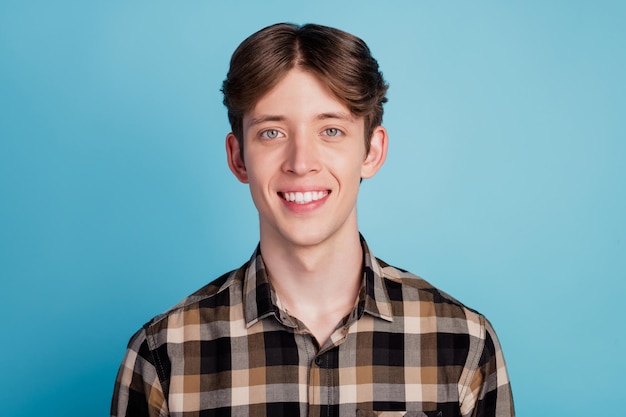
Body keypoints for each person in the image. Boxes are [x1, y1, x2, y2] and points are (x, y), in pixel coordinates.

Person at [111, 23, 515, 417]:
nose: (301, 163)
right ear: (238, 158)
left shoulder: (463, 343)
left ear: (372, 151)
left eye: (331, 131)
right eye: (272, 133)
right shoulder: (162, 356)